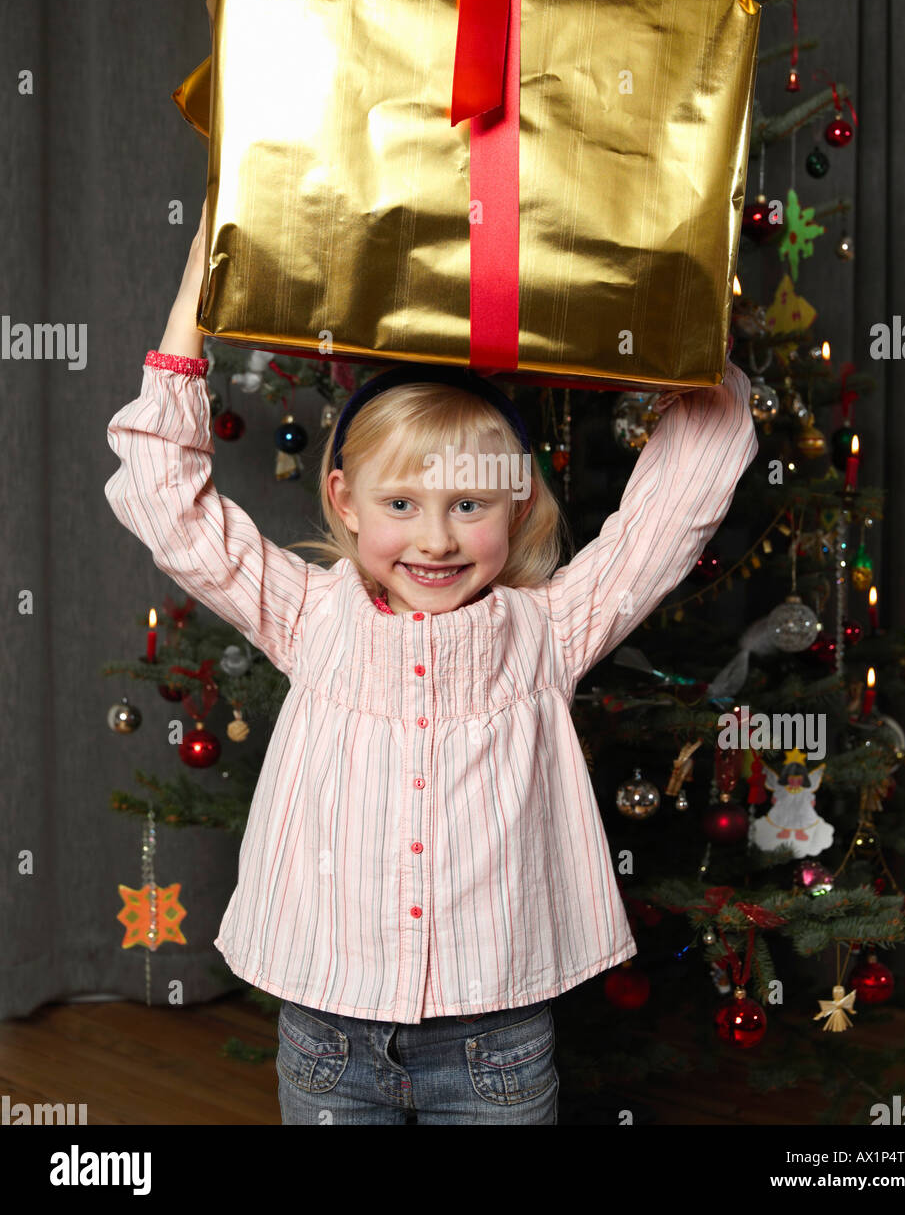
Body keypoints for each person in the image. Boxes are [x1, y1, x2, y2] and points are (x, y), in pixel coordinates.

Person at [104, 199, 759, 1125]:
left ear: (519, 503)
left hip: (495, 1042)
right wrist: (197, 289)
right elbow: (161, 495)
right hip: (328, 1034)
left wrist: (684, 280)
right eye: (402, 503)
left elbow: (686, 487)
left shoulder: (549, 631)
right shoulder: (308, 616)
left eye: (469, 504)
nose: (437, 540)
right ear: (345, 499)